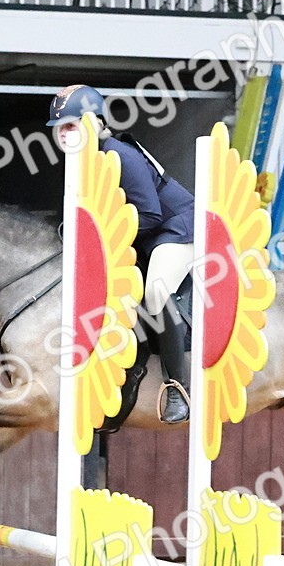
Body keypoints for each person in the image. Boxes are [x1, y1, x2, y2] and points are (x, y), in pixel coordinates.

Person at [47, 84, 194, 424]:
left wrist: (100, 238)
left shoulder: (120, 155)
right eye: (61, 128)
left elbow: (152, 214)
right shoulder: (85, 163)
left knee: (156, 290)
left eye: (72, 125)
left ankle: (177, 389)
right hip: (145, 236)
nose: (65, 134)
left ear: (95, 122)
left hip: (176, 229)